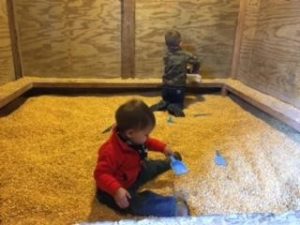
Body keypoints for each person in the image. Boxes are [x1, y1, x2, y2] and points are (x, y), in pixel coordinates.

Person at [94, 99, 189, 217]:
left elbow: (148, 143)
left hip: (135, 171)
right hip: (115, 190)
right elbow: (100, 174)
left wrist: (163, 148)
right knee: (135, 204)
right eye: (146, 134)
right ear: (130, 133)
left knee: (151, 167)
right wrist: (116, 190)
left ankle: (169, 162)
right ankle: (171, 206)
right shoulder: (110, 151)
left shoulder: (133, 138)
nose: (148, 137)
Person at [150, 30, 200, 117]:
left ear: (166, 44)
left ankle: (163, 104)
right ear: (180, 43)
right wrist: (193, 71)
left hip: (166, 86)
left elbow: (174, 65)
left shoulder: (166, 55)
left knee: (166, 99)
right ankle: (174, 107)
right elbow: (197, 62)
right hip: (178, 87)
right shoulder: (185, 55)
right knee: (178, 102)